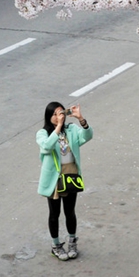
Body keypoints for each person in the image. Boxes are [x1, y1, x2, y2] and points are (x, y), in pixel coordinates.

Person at [36, 102, 93, 260]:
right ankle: (56, 246)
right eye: (54, 114)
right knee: (54, 213)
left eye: (60, 113)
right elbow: (46, 147)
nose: (57, 117)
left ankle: (72, 242)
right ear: (49, 117)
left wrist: (81, 119)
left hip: (70, 175)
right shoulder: (43, 133)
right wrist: (58, 127)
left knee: (70, 212)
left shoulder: (72, 129)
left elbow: (87, 136)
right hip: (54, 179)